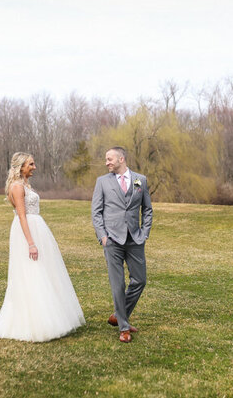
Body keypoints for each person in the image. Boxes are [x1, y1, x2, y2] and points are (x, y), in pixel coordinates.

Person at [0, 152, 85, 342]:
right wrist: (31, 243)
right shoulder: (17, 187)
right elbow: (22, 216)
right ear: (21, 166)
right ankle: (36, 323)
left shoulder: (26, 185)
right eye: (31, 164)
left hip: (37, 228)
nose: (34, 167)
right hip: (27, 231)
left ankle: (52, 315)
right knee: (32, 271)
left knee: (45, 270)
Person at [91, 146, 153, 343]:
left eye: (110, 159)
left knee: (140, 280)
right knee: (118, 285)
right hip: (112, 241)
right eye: (106, 159)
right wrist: (102, 236)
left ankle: (119, 315)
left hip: (135, 239)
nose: (107, 162)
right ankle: (124, 328)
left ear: (121, 158)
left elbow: (148, 209)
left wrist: (144, 232)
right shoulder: (102, 182)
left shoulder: (139, 180)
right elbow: (96, 212)